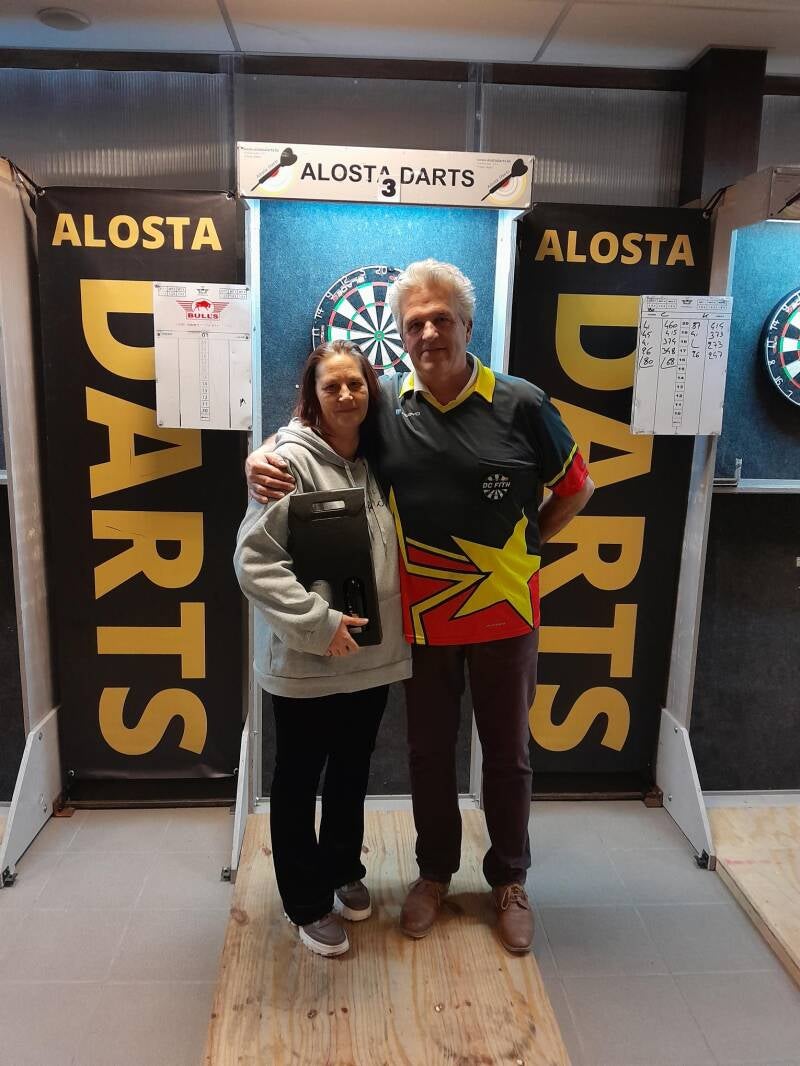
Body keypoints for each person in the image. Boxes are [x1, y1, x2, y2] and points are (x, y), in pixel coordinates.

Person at [246, 260, 594, 954]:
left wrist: (525, 549)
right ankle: (434, 873)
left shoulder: (523, 402)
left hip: (506, 615)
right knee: (428, 754)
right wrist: (256, 459)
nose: (429, 333)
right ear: (402, 337)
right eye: (415, 324)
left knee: (508, 755)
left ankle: (510, 879)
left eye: (441, 319)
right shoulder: (387, 409)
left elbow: (578, 488)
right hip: (423, 622)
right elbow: (322, 426)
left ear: (468, 325)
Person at [234, 339, 411, 958]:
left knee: (352, 770)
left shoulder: (382, 457)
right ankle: (305, 902)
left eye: (355, 384)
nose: (345, 395)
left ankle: (340, 868)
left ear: (372, 390)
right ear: (311, 396)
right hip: (308, 661)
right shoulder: (286, 463)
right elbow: (255, 563)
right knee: (298, 776)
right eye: (331, 385)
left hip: (370, 657)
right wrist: (319, 624)